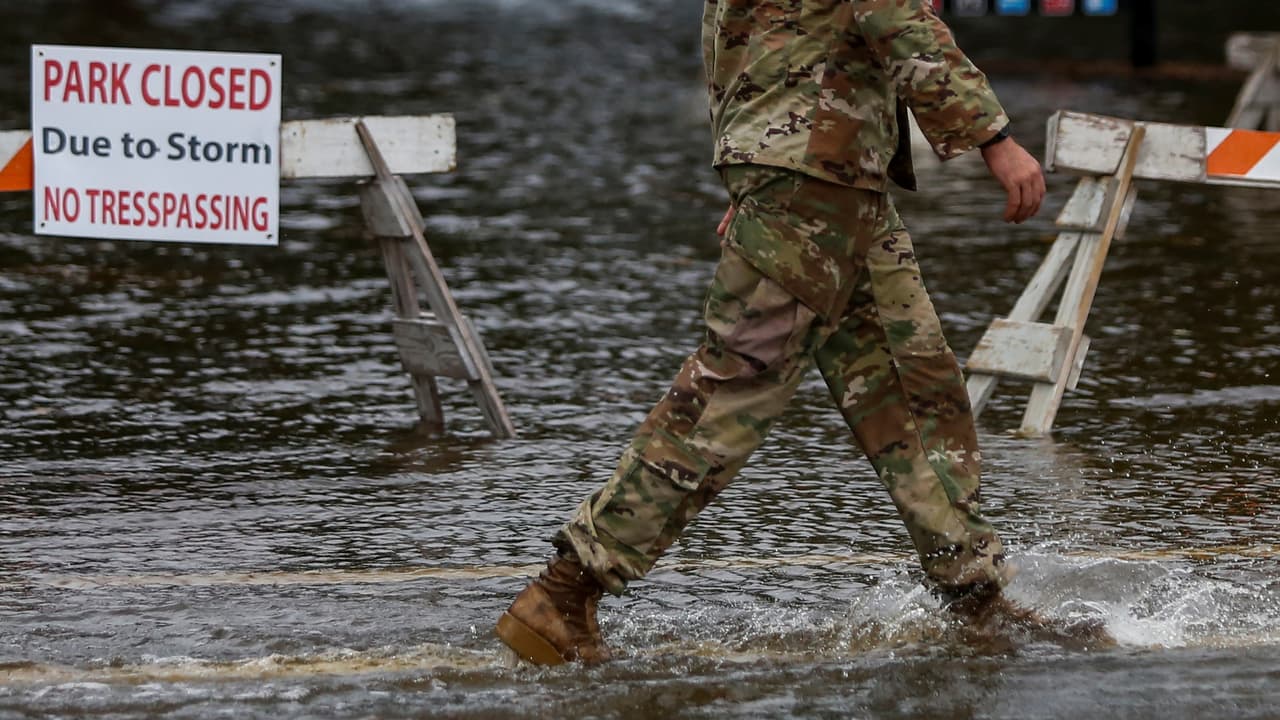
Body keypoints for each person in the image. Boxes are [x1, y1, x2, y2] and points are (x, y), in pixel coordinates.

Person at [495, 0, 1048, 666]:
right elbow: (893, 13)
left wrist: (753, 163)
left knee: (912, 385)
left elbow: (734, 31)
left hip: (828, 175)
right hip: (813, 176)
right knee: (732, 392)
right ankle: (565, 591)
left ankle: (975, 598)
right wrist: (992, 137)